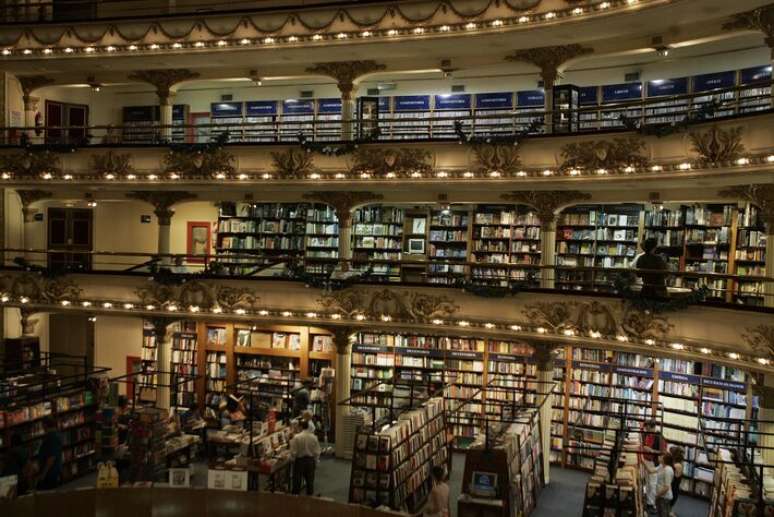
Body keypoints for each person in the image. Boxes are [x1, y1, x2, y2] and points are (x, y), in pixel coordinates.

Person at [289, 418, 321, 495]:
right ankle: (309, 499)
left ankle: (295, 499)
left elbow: (294, 452)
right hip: (310, 461)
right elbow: (317, 452)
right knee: (310, 482)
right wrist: (316, 462)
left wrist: (292, 460)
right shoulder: (314, 437)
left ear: (300, 427)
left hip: (299, 461)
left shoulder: (296, 437)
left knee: (297, 482)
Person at [641, 421, 664, 513]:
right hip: (646, 460)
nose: (646, 430)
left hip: (653, 462)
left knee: (652, 483)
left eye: (647, 428)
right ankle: (648, 501)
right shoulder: (647, 434)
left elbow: (661, 452)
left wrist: (651, 450)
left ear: (652, 427)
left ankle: (651, 504)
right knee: (647, 482)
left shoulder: (659, 437)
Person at [36, 417, 63, 491]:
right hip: (52, 472)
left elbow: (51, 458)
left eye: (42, 425)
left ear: (45, 425)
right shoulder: (55, 435)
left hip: (50, 474)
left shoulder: (52, 437)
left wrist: (43, 475)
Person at [655, 452, 675, 517]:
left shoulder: (668, 469)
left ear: (665, 459)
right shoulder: (662, 466)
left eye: (661, 456)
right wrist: (642, 460)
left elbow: (666, 487)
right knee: (660, 513)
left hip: (664, 497)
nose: (659, 457)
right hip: (661, 496)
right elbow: (650, 470)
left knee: (663, 514)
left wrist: (657, 495)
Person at [669, 446, 684, 517]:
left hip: (674, 484)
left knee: (672, 497)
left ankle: (669, 511)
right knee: (672, 497)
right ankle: (669, 511)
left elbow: (675, 476)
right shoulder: (678, 464)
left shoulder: (677, 465)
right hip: (675, 484)